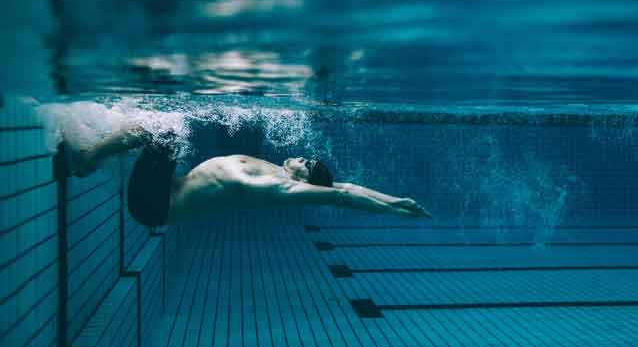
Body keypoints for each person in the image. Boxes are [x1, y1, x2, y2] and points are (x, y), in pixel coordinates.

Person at [67, 124, 431, 227]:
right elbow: (346, 186)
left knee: (160, 130)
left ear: (303, 181)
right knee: (165, 128)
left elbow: (339, 196)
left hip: (155, 205)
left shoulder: (279, 186)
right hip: (167, 190)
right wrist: (395, 200)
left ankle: (86, 158)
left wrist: (388, 213)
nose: (302, 156)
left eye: (306, 163)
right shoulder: (284, 174)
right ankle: (94, 139)